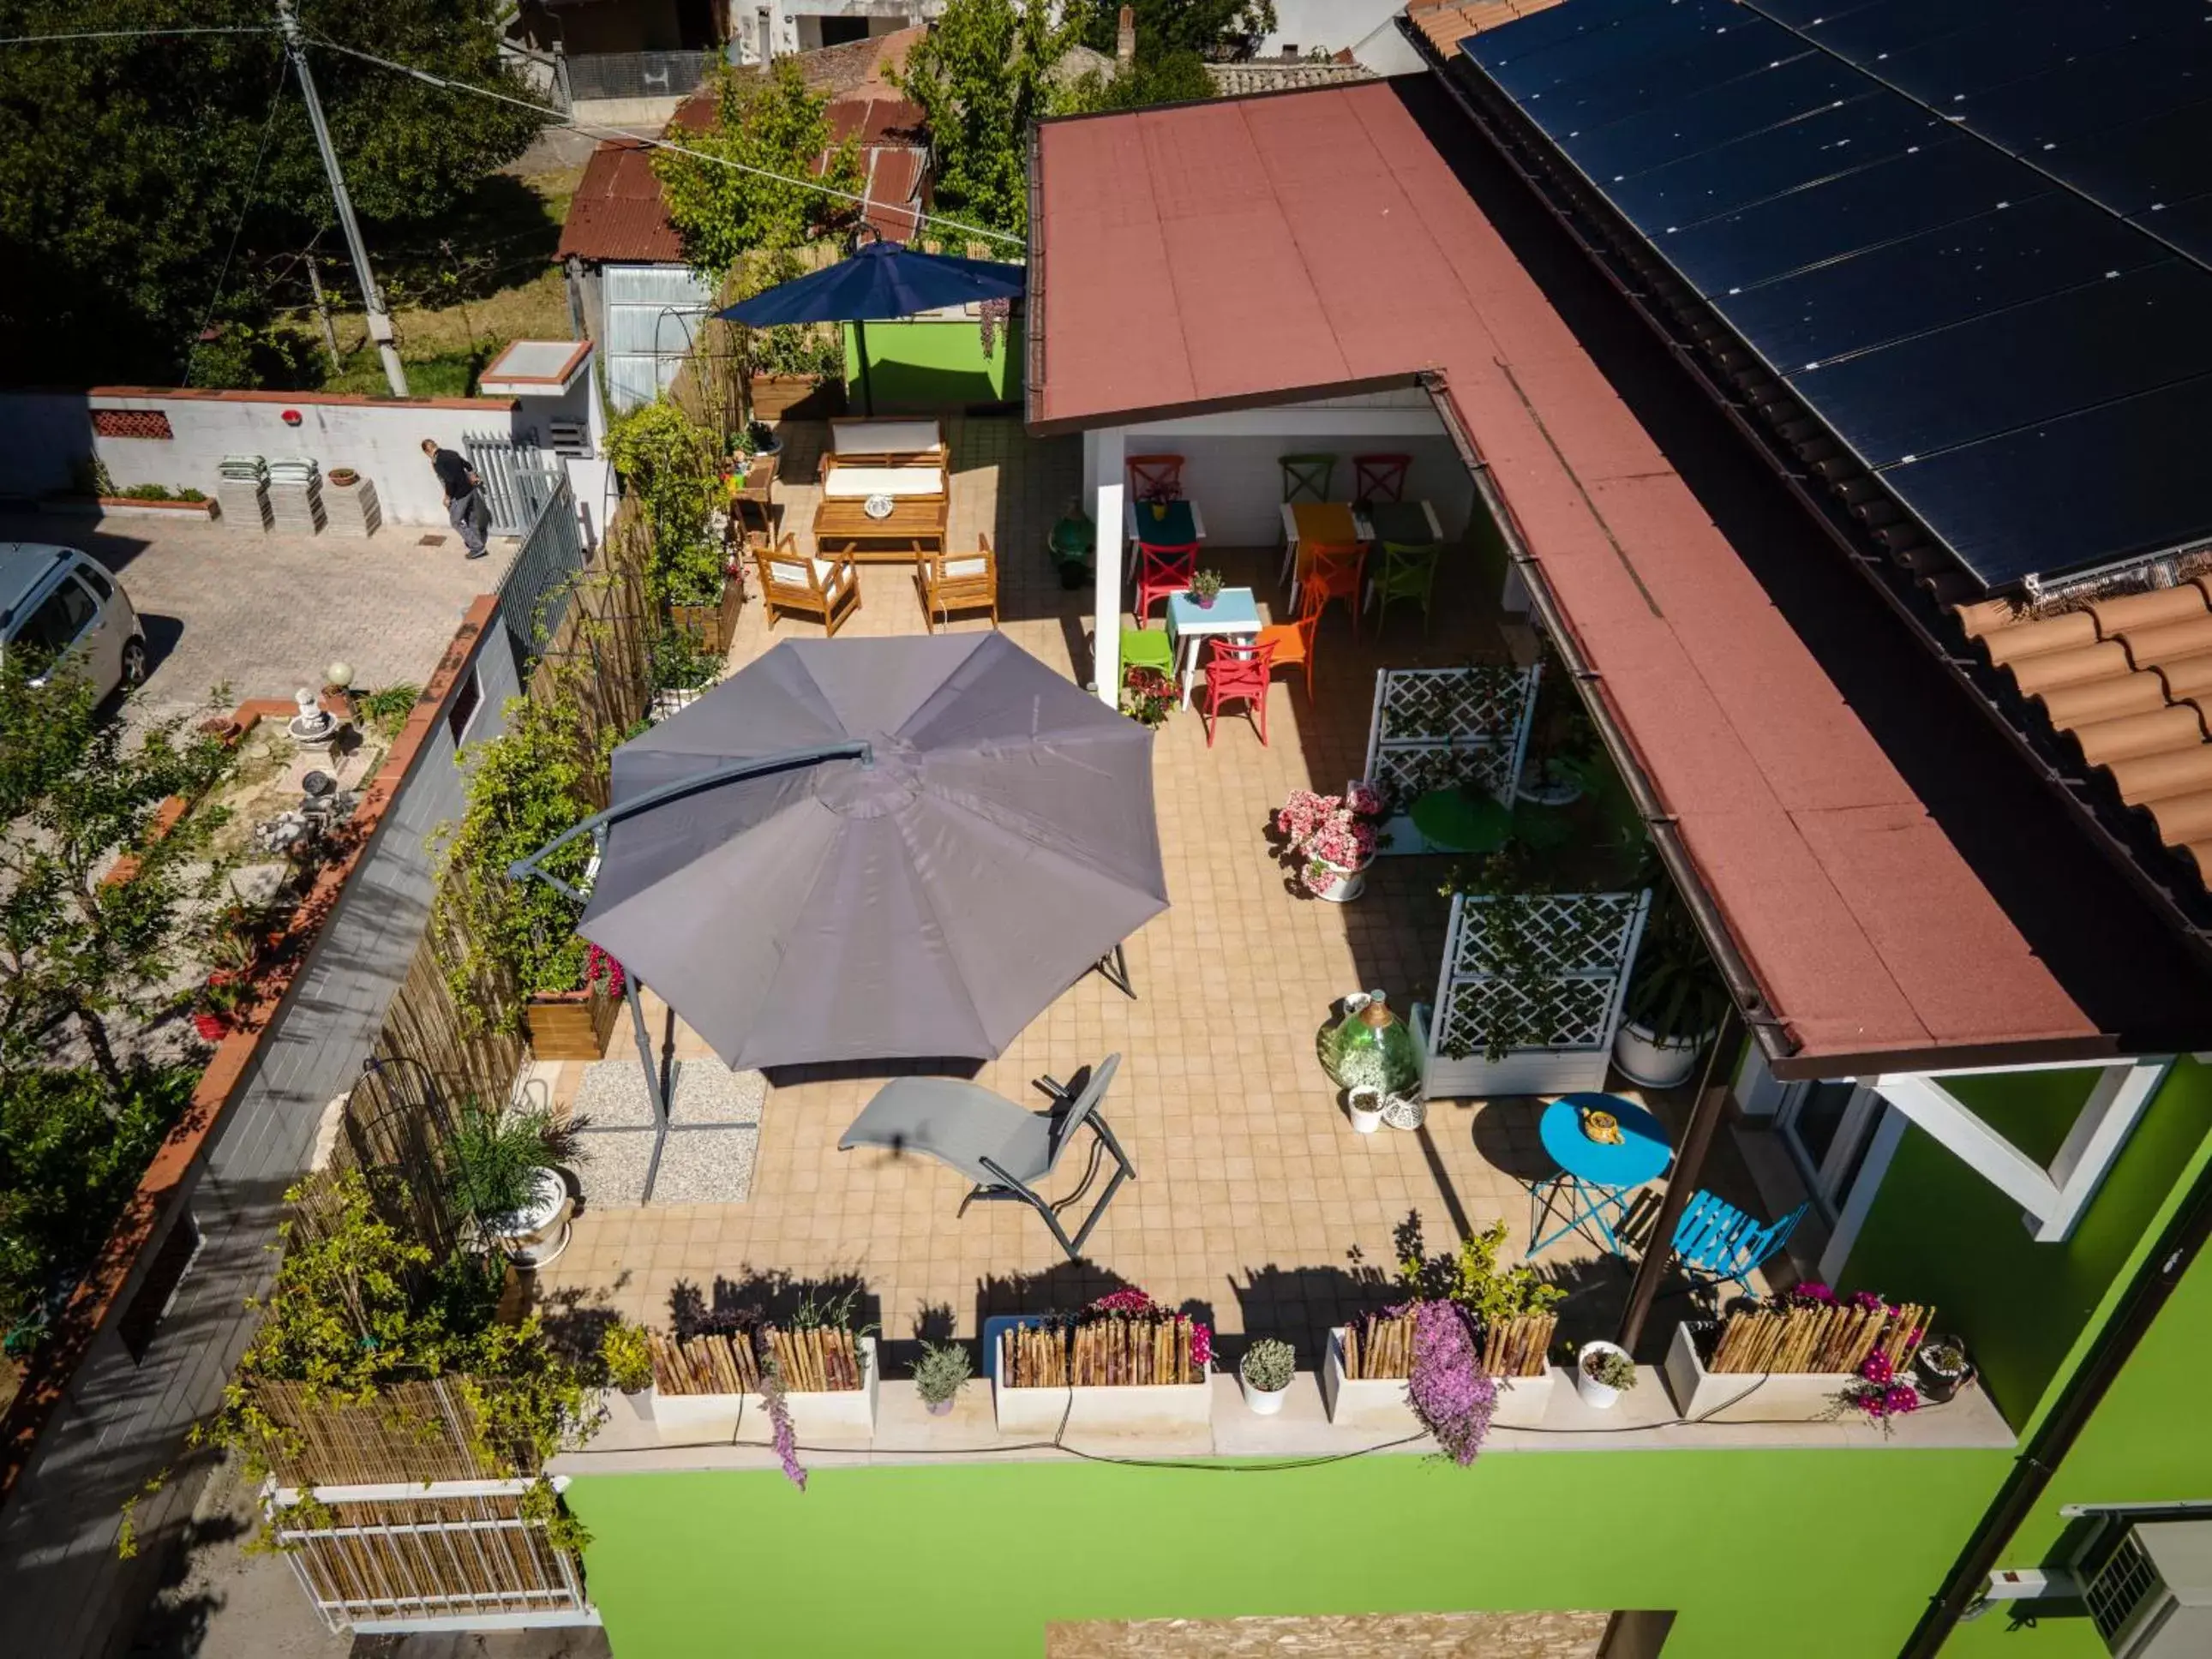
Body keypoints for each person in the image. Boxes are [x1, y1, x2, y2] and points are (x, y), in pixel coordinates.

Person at [422, 438, 490, 560]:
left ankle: (477, 547)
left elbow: (449, 480)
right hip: (470, 490)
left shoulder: (438, 462)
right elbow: (468, 465)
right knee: (471, 518)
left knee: (456, 521)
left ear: (427, 451)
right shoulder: (451, 453)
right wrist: (473, 476)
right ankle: (476, 541)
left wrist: (447, 497)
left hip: (460, 495)